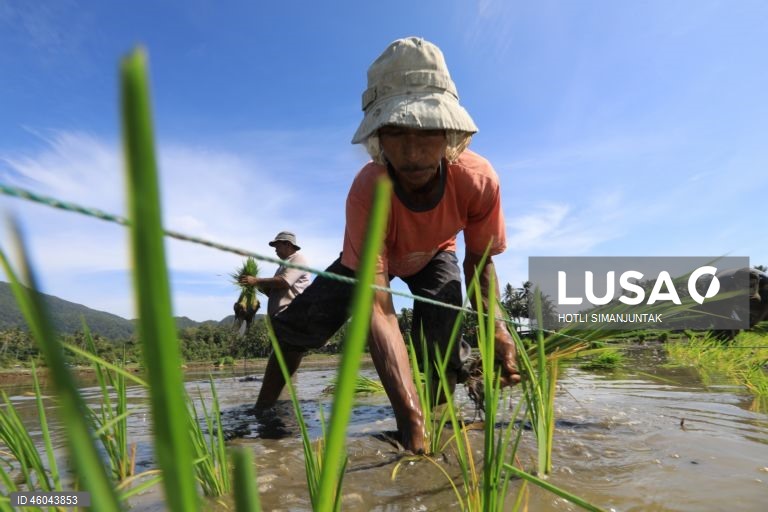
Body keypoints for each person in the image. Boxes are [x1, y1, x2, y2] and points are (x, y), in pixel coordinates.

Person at [255, 37, 520, 454]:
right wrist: (407, 420)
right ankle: (261, 412)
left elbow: (479, 263)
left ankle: (438, 413)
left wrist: (497, 329)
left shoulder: (478, 180)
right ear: (378, 136)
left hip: (435, 253)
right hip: (364, 263)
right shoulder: (368, 189)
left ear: (449, 132)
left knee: (443, 334)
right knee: (298, 329)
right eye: (395, 133)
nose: (412, 153)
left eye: (428, 132)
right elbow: (378, 309)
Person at [239, 231, 311, 317]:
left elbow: (284, 282)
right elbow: (272, 293)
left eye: (278, 246)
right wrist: (258, 286)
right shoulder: (283, 265)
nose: (275, 250)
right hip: (280, 317)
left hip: (292, 314)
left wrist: (256, 281)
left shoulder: (298, 259)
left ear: (288, 244)